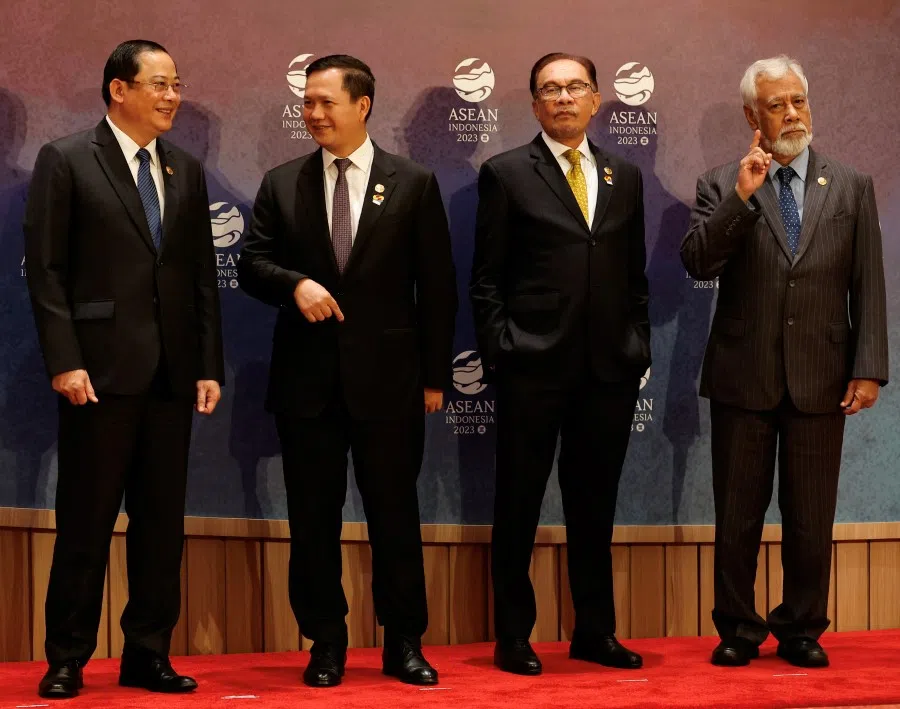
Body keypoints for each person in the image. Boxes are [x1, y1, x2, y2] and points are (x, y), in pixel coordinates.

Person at [238, 54, 456, 688]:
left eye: (325, 102)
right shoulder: (283, 182)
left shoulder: (411, 182)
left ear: (362, 105)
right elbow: (251, 263)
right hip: (307, 387)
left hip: (390, 384)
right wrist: (294, 284)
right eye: (307, 102)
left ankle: (405, 642)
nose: (313, 113)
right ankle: (325, 642)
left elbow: (436, 287)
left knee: (395, 516)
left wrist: (435, 377)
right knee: (312, 521)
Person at [24, 39, 224, 698]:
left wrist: (206, 364)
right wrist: (65, 359)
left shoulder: (185, 170)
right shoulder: (68, 160)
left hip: (171, 376)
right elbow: (47, 272)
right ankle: (67, 657)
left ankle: (148, 653)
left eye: (176, 84)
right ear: (119, 90)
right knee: (85, 521)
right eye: (159, 84)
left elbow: (199, 277)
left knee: (160, 526)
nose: (172, 96)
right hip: (98, 376)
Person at [681, 55, 888, 668]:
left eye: (798, 99)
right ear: (752, 116)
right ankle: (738, 629)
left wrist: (868, 366)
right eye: (778, 104)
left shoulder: (849, 185)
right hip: (743, 378)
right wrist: (743, 198)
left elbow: (868, 284)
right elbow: (697, 262)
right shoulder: (722, 183)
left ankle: (801, 629)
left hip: (822, 378)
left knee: (810, 515)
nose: (793, 112)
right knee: (737, 515)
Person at [469, 52, 650, 675]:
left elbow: (634, 274)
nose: (564, 98)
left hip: (609, 372)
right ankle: (514, 636)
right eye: (551, 89)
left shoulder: (624, 174)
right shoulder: (506, 172)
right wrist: (503, 354)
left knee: (594, 507)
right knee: (517, 504)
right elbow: (486, 280)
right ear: (535, 103)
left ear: (597, 99)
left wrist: (637, 345)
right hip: (531, 369)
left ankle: (594, 632)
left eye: (576, 87)